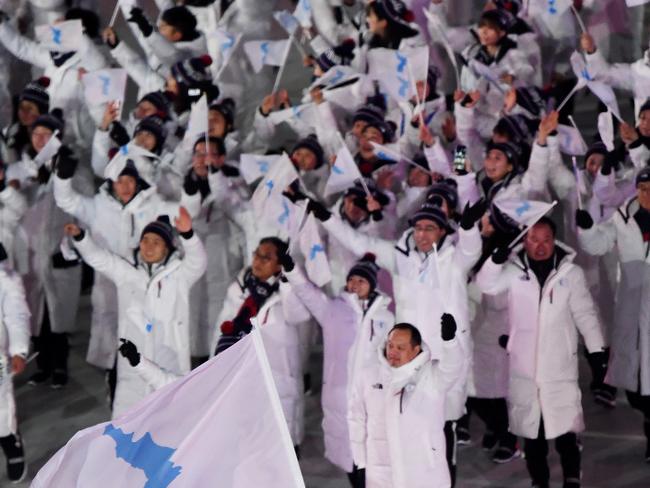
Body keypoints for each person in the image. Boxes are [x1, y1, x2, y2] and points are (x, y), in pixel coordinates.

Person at [476, 217, 607, 488]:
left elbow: (586, 315)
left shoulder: (570, 274)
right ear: (524, 240)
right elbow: (485, 285)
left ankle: (572, 478)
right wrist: (494, 261)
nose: (540, 246)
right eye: (533, 240)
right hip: (523, 368)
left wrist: (596, 352)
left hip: (559, 366)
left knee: (565, 431)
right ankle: (540, 481)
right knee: (532, 433)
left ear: (554, 239)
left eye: (546, 239)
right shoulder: (513, 271)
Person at [64, 207, 207, 418]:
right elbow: (99, 258)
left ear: (167, 248)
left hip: (168, 359)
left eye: (156, 242)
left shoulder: (179, 275)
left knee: (168, 422)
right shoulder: (127, 272)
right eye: (145, 240)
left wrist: (188, 235)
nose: (148, 246)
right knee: (127, 424)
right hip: (132, 361)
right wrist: (81, 238)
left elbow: (198, 262)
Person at [282, 253, 394, 487]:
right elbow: (307, 293)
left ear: (372, 285)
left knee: (373, 454)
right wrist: (292, 270)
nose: (354, 285)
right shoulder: (333, 310)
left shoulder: (386, 317)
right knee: (350, 456)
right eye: (352, 279)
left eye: (361, 281)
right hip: (340, 396)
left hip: (372, 397)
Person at [576, 166, 650, 463]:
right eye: (643, 188)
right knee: (636, 388)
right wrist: (587, 228)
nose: (648, 195)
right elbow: (597, 244)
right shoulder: (622, 217)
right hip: (632, 310)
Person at [212, 237, 311, 452]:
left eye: (266, 257)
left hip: (278, 385)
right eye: (257, 254)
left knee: (282, 455)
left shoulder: (289, 293)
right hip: (243, 383)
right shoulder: (238, 290)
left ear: (280, 264)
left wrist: (287, 280)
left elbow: (299, 315)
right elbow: (220, 335)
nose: (258, 260)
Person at [348, 319, 463, 488]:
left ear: (415, 350)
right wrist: (359, 462)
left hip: (423, 473)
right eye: (390, 345)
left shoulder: (430, 376)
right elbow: (355, 418)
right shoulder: (369, 375)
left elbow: (452, 368)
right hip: (381, 472)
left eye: (400, 348)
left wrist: (450, 342)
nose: (393, 352)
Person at [0, 242, 30, 483]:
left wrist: (18, 350)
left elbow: (17, 314)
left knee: (0, 411)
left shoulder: (6, 279)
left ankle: (12, 444)